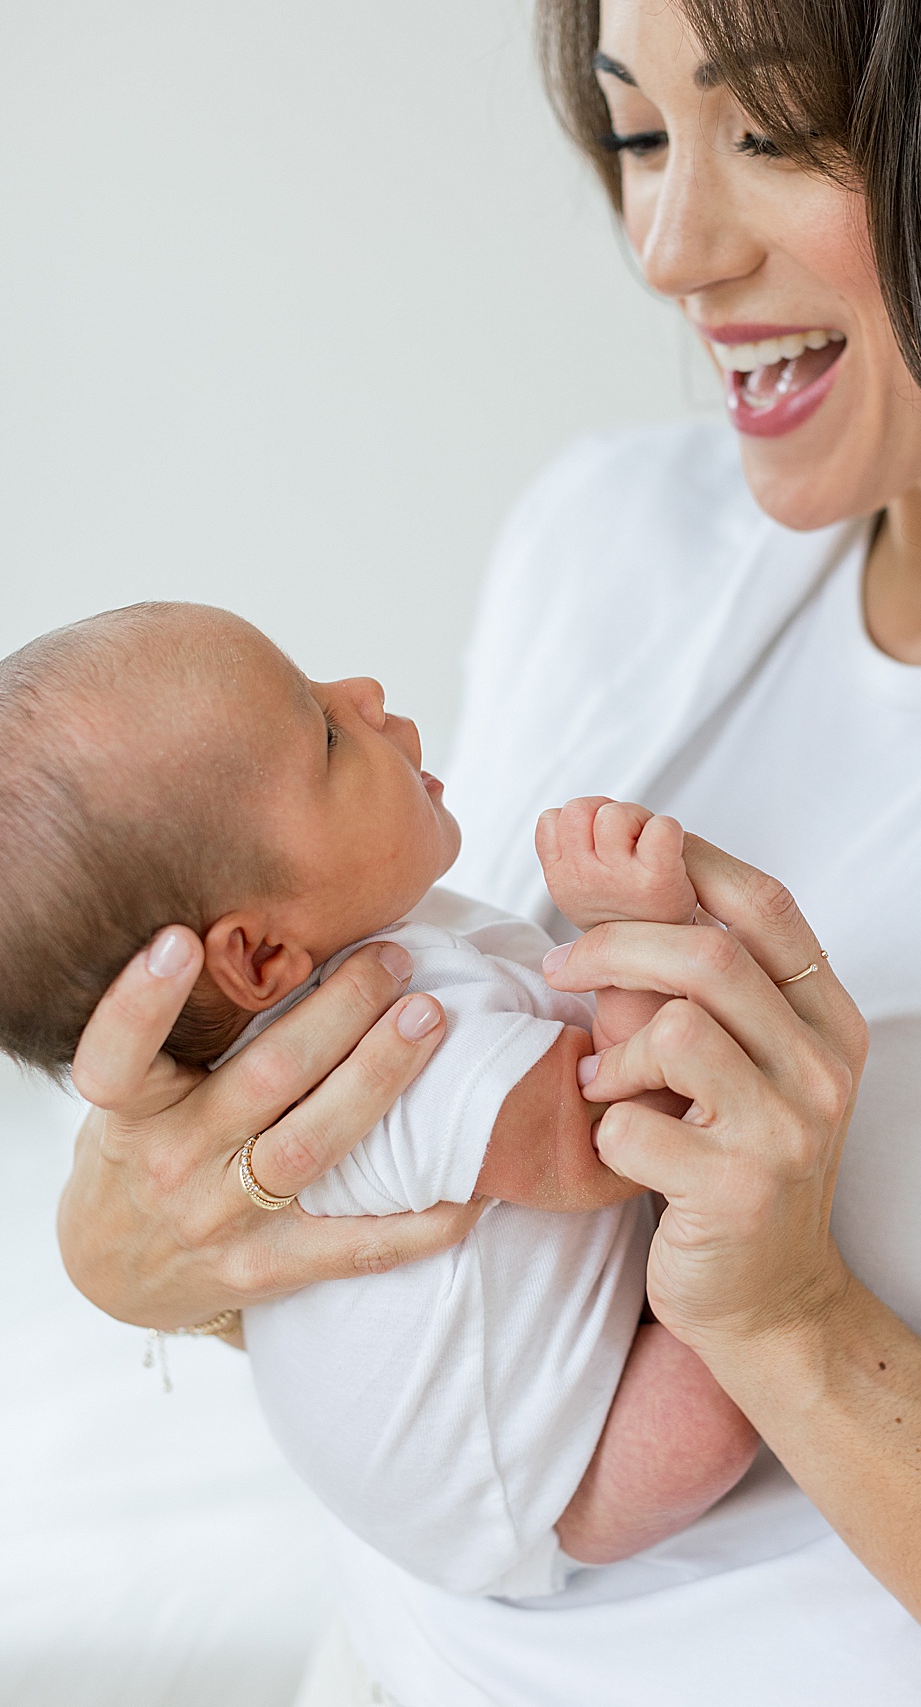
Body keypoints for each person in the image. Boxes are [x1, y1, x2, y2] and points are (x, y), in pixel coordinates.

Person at [53, 0, 921, 1701]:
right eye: (640, 133)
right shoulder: (608, 542)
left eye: (771, 128)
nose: (668, 247)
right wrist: (159, 1251)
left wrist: (788, 1319)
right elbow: (459, 1278)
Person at [0, 600, 759, 1590]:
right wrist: (631, 940)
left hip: (382, 1470)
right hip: (501, 1495)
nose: (363, 693)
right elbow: (622, 1150)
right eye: (323, 733)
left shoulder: (367, 949)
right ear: (263, 955)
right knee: (715, 1405)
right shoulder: (395, 1061)